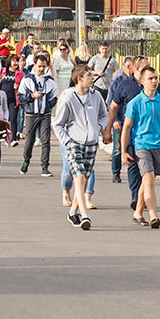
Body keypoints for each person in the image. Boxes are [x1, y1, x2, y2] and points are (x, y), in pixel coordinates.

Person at [54, 65, 109, 230]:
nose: (93, 78)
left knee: (84, 179)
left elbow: (103, 115)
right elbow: (58, 125)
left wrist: (97, 127)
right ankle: (85, 215)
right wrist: (68, 141)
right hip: (74, 143)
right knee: (78, 177)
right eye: (89, 76)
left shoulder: (96, 95)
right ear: (80, 78)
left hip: (91, 143)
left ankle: (73, 211)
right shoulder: (68, 97)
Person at [122, 66, 160, 228]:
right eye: (150, 78)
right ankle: (153, 215)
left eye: (156, 78)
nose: (154, 81)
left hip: (158, 146)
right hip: (141, 145)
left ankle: (137, 212)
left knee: (147, 181)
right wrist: (123, 150)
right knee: (149, 178)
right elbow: (127, 127)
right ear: (142, 81)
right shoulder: (135, 103)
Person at [17, 53, 59, 177]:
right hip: (31, 114)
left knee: (46, 140)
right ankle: (26, 161)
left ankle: (45, 166)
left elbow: (54, 97)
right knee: (29, 140)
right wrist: (31, 96)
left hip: (45, 114)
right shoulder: (27, 79)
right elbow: (20, 96)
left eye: (43, 66)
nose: (41, 69)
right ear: (34, 64)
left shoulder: (49, 81)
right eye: (39, 66)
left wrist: (48, 104)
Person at [107, 57, 144, 189]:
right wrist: (115, 120)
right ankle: (116, 172)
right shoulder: (119, 82)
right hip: (122, 123)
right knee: (118, 148)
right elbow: (113, 103)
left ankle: (140, 192)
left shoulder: (149, 84)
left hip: (143, 130)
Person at [0, 56, 21, 147]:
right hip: (2, 99)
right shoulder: (2, 71)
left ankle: (13, 139)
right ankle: (4, 136)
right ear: (9, 61)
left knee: (13, 119)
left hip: (13, 100)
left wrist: (18, 87)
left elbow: (24, 87)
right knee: (4, 119)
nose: (15, 63)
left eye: (17, 61)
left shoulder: (20, 74)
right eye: (14, 61)